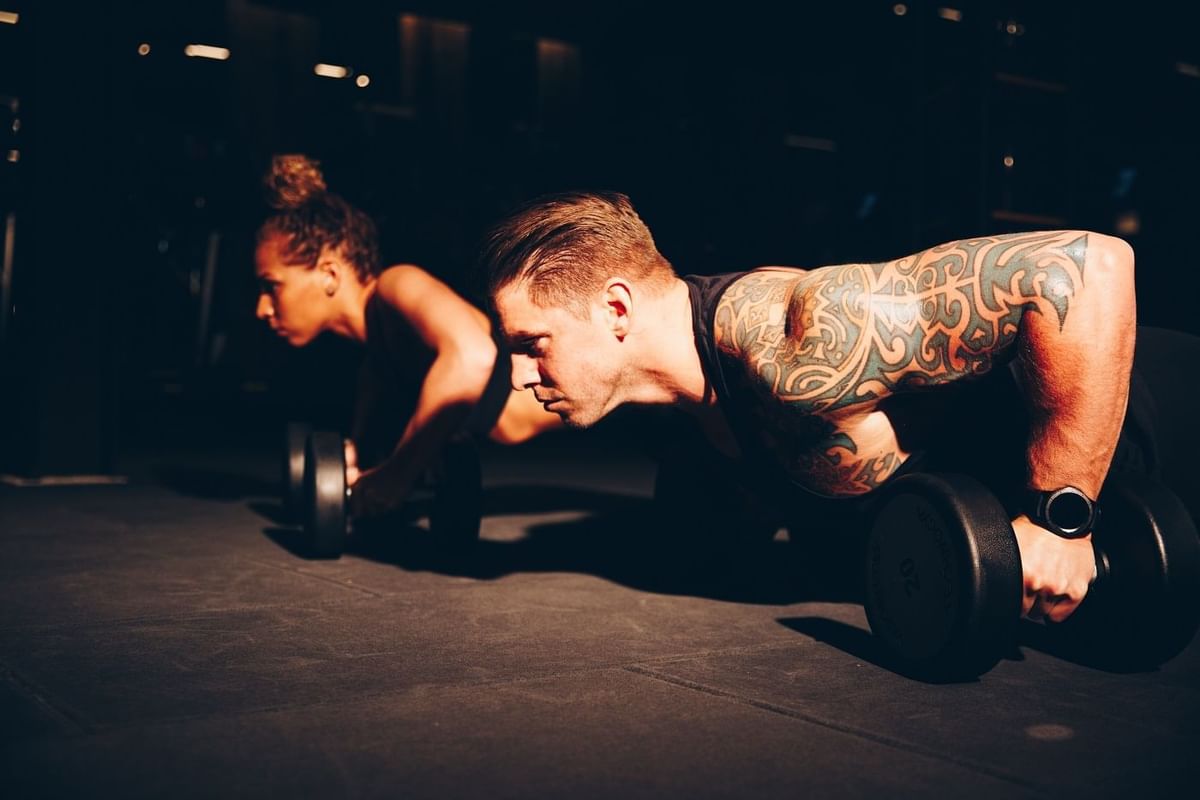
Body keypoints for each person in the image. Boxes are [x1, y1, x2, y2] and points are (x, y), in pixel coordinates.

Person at [481, 190, 1177, 624]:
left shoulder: (800, 336)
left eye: (530, 344)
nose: (518, 375)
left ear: (615, 308)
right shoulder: (691, 414)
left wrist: (1060, 517)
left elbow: (1089, 266)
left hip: (1153, 422)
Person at [254, 155, 560, 518]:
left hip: (623, 406)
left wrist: (397, 476)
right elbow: (369, 452)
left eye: (271, 286)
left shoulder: (397, 283)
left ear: (329, 275)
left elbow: (473, 354)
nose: (261, 308)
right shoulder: (377, 360)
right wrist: (358, 466)